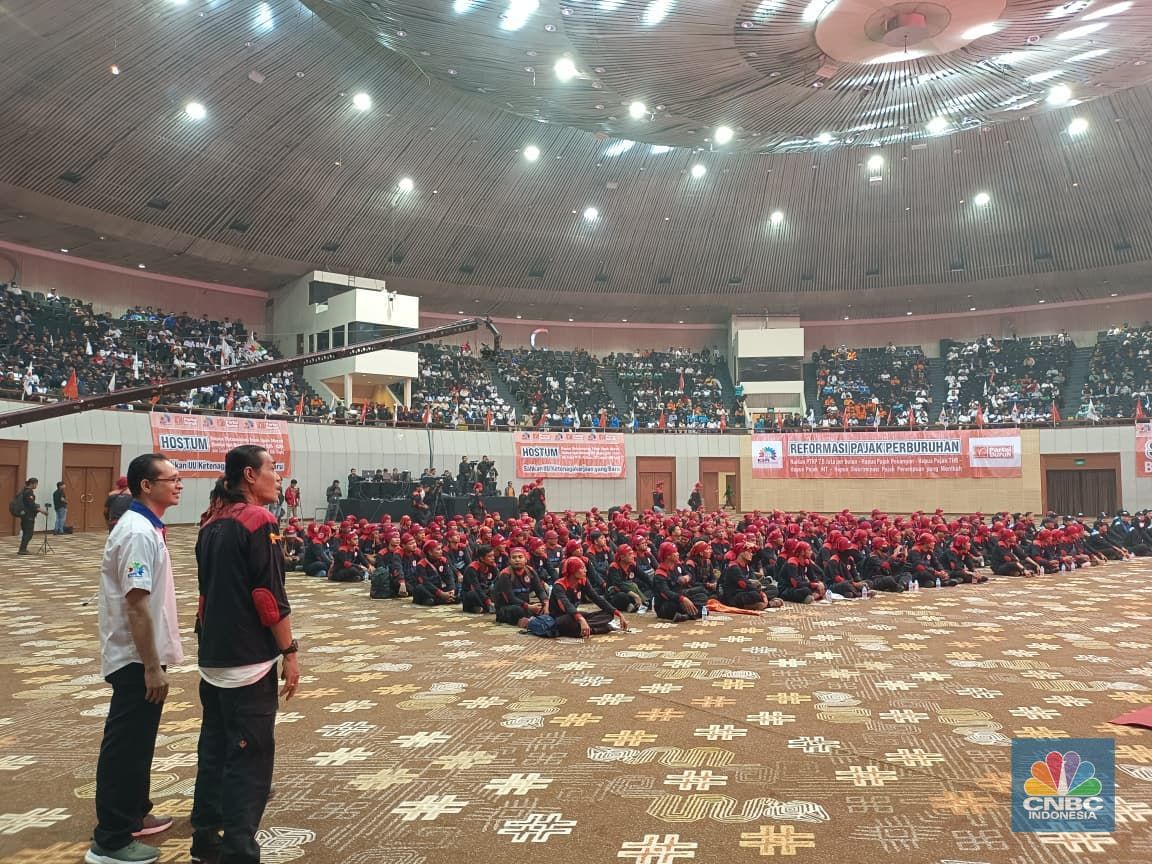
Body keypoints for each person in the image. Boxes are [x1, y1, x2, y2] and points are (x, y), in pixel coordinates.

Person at [191, 445, 300, 864]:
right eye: (272, 468)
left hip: (214, 654)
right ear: (250, 476)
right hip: (247, 659)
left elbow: (205, 593)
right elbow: (268, 597)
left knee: (214, 751)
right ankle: (239, 850)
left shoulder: (211, 521)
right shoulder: (258, 520)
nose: (278, 475)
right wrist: (289, 651)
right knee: (249, 760)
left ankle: (206, 841)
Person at [87, 454, 184, 864]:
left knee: (140, 740)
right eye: (171, 479)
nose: (179, 484)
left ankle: (134, 813)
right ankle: (110, 839)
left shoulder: (147, 526)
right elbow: (137, 605)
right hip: (134, 657)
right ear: (146, 485)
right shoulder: (138, 532)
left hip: (143, 652)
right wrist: (150, 666)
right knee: (126, 745)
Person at [548, 557, 629, 638]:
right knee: (570, 622)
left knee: (609, 614)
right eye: (582, 568)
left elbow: (597, 598)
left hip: (575, 616)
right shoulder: (559, 585)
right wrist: (581, 619)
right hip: (561, 617)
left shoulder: (583, 581)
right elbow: (567, 605)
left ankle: (586, 628)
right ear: (573, 571)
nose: (585, 570)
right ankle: (598, 628)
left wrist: (618, 613)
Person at [17, 477, 45, 554]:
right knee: (28, 533)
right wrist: (41, 510)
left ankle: (22, 549)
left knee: (26, 532)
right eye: (36, 484)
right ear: (32, 484)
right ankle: (22, 549)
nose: (36, 486)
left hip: (25, 515)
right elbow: (31, 505)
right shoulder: (29, 492)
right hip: (28, 516)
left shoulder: (24, 490)